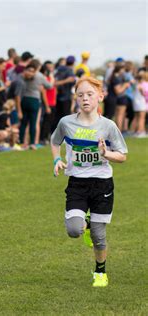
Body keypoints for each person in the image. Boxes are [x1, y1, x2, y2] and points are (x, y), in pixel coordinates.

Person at [51, 77, 127, 288]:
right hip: (77, 182)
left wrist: (106, 153)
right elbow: (55, 140)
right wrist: (57, 159)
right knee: (74, 230)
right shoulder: (66, 122)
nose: (85, 98)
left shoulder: (109, 126)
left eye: (90, 94)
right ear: (76, 98)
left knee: (99, 235)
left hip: (102, 183)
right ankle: (84, 225)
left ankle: (100, 272)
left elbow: (122, 156)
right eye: (80, 95)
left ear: (100, 97)